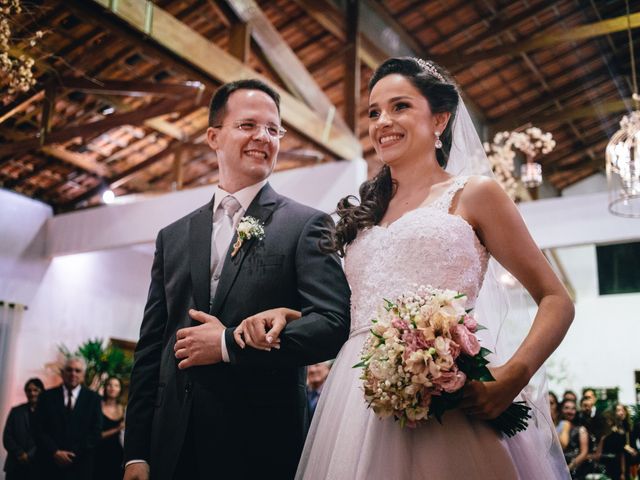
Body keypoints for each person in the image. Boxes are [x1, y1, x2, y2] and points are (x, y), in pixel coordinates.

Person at [247, 57, 575, 478]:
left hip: (447, 401)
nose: (383, 121)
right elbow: (354, 314)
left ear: (440, 118)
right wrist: (290, 315)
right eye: (374, 112)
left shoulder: (475, 194)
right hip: (356, 400)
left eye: (400, 106)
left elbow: (556, 299)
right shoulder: (365, 216)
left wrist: (513, 374)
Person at [123, 79, 350, 480]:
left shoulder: (306, 225)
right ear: (214, 136)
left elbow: (333, 324)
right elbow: (151, 348)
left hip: (258, 446)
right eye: (248, 125)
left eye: (273, 129)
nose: (263, 137)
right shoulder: (172, 237)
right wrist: (136, 452)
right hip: (171, 448)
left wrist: (229, 344)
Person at [35, 356, 102, 480]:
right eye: (69, 370)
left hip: (80, 467)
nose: (73, 374)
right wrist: (55, 452)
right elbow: (38, 428)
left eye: (78, 371)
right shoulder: (46, 396)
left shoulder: (94, 399)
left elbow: (95, 432)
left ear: (83, 375)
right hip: (49, 465)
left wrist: (72, 454)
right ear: (62, 373)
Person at [2, 378, 44, 480]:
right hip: (15, 465)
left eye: (35, 390)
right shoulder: (16, 411)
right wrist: (19, 453)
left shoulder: (48, 414)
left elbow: (47, 438)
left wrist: (29, 455)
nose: (32, 393)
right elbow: (7, 437)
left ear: (42, 392)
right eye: (29, 390)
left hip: (37, 466)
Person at [93, 377, 124, 480]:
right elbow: (95, 435)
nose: (112, 388)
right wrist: (118, 428)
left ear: (120, 389)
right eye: (109, 385)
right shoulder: (97, 406)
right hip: (99, 454)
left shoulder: (124, 409)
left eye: (116, 385)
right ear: (105, 388)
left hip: (117, 455)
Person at [560, 399, 591, 478]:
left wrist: (569, 468)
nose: (570, 411)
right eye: (566, 408)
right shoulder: (556, 428)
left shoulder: (581, 429)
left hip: (574, 471)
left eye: (573, 408)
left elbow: (584, 453)